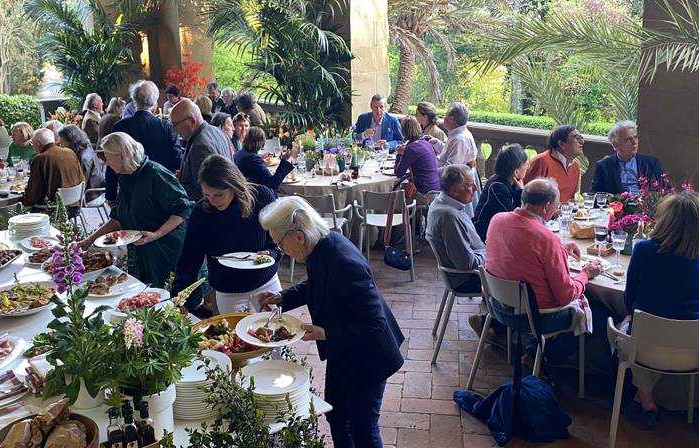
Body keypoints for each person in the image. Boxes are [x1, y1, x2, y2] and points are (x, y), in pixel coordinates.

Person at [257, 196, 404, 448]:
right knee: (336, 415)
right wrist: (282, 297)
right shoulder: (319, 247)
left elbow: (375, 324)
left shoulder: (344, 262)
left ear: (298, 237)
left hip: (370, 356)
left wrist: (325, 333)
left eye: (280, 245)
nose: (281, 251)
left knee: (363, 429)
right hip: (344, 350)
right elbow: (317, 285)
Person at [619, 191, 699, 425]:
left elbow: (629, 301)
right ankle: (644, 396)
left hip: (644, 345)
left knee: (625, 326)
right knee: (662, 329)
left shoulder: (644, 250)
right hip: (693, 351)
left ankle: (645, 398)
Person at [485, 178, 600, 360]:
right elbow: (566, 294)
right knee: (598, 309)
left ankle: (534, 352)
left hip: (497, 306)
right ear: (546, 207)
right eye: (556, 205)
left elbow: (519, 252)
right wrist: (586, 274)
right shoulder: (547, 239)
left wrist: (560, 250)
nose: (557, 210)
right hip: (535, 317)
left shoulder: (497, 220)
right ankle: (549, 361)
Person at [82, 133, 193, 286]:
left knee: (167, 295)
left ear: (121, 155)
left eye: (108, 156)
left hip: (164, 248)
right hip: (140, 249)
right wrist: (89, 240)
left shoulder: (155, 173)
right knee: (143, 293)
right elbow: (117, 219)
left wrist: (156, 234)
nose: (106, 162)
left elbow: (183, 209)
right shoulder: (127, 176)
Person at [174, 155, 281, 312]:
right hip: (228, 291)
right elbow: (190, 258)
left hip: (266, 283)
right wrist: (179, 295)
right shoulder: (202, 212)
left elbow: (278, 242)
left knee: (275, 333)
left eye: (218, 195)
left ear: (234, 186)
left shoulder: (261, 197)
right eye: (207, 195)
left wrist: (271, 254)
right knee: (233, 336)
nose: (213, 201)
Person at [105, 81, 183, 203]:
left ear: (134, 101)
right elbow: (176, 159)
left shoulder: (120, 127)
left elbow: (111, 162)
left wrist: (111, 196)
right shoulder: (166, 127)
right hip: (161, 189)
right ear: (155, 103)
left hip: (130, 190)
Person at [426, 165, 484, 292]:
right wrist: (491, 256)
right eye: (470, 185)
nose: (475, 189)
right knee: (519, 275)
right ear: (454, 191)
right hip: (468, 278)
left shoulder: (440, 202)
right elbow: (466, 264)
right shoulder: (449, 216)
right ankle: (503, 310)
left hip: (470, 271)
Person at [172, 98, 233, 201]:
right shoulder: (218, 132)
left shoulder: (200, 146)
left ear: (192, 121)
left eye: (175, 125)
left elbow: (202, 192)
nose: (174, 130)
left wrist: (175, 184)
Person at [591, 120, 664, 195]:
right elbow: (595, 194)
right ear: (615, 145)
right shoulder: (604, 166)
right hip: (616, 205)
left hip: (644, 205)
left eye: (635, 137)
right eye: (628, 139)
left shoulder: (651, 163)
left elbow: (662, 191)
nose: (634, 142)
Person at [473, 144, 527, 240]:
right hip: (485, 235)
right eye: (525, 164)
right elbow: (514, 217)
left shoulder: (511, 181)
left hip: (498, 231)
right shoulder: (497, 187)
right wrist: (521, 191)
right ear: (516, 172)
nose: (528, 167)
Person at [22, 128, 85, 209]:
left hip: (53, 209)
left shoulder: (40, 159)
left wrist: (23, 200)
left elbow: (32, 194)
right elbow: (82, 178)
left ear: (37, 144)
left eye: (32, 143)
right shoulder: (70, 152)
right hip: (74, 205)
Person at [523, 125, 584, 204]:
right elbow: (528, 197)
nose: (582, 142)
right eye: (576, 138)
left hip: (565, 214)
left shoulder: (575, 165)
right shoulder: (541, 161)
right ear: (561, 144)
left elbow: (571, 198)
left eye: (581, 137)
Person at [394, 117, 440, 194]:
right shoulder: (425, 143)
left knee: (397, 190)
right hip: (435, 188)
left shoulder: (411, 148)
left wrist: (399, 154)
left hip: (424, 192)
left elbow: (399, 172)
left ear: (403, 131)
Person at [428, 102, 477, 169]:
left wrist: (429, 172)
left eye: (445, 115)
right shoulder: (458, 134)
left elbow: (450, 170)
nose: (443, 118)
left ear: (451, 119)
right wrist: (436, 143)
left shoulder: (459, 140)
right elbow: (449, 153)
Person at [58, 124, 105, 190]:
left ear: (71, 140)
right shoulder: (85, 149)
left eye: (62, 142)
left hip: (91, 194)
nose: (61, 146)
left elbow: (82, 183)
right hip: (93, 190)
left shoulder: (82, 156)